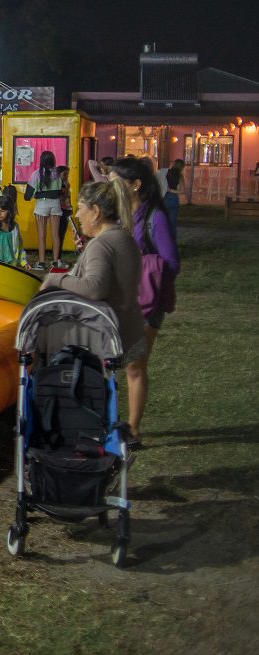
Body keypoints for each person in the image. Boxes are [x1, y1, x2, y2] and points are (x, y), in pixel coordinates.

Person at [40, 177, 147, 445]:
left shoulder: (102, 244)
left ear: (96, 212)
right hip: (132, 327)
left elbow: (95, 288)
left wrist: (56, 278)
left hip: (107, 335)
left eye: (80, 208)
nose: (77, 214)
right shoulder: (123, 236)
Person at [112, 156, 180, 446]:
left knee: (134, 365)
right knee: (123, 362)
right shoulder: (122, 213)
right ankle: (123, 425)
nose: (111, 188)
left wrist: (140, 266)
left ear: (136, 185)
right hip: (125, 298)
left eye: (117, 183)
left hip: (148, 301)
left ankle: (134, 430)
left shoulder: (155, 217)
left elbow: (172, 262)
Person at [25, 150, 64, 268]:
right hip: (56, 204)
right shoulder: (57, 173)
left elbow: (28, 195)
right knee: (55, 234)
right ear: (53, 160)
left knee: (42, 235)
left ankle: (42, 262)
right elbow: (60, 190)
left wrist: (35, 195)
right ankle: (56, 261)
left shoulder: (36, 174)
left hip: (42, 204)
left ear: (41, 161)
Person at [162, 158, 184, 229]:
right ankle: (172, 238)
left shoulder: (165, 173)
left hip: (164, 197)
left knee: (163, 221)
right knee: (172, 222)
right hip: (173, 198)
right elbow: (182, 190)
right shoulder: (180, 176)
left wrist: (166, 189)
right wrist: (171, 190)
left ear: (173, 164)